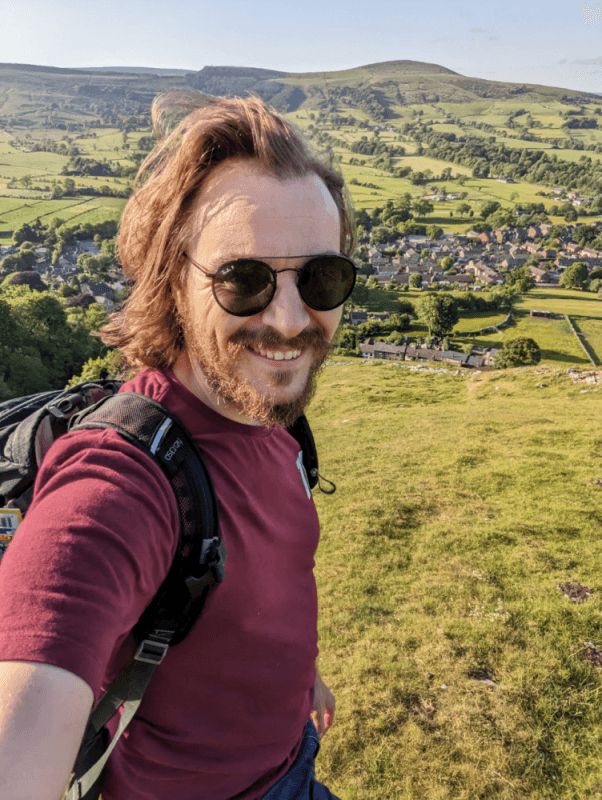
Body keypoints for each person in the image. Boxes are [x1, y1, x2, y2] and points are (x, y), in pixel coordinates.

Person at [0, 92, 356, 800]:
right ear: (172, 282)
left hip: (292, 758)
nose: (289, 320)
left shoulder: (275, 416)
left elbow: (265, 591)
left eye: (320, 277)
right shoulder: (121, 478)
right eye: (243, 280)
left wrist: (297, 676)